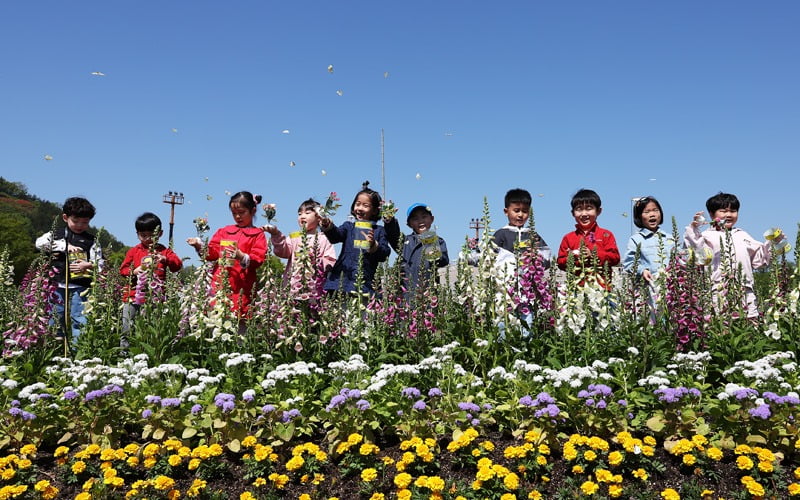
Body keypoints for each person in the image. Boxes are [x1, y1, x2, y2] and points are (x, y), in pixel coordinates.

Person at [683, 192, 770, 318]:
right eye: (723, 211)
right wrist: (693, 229)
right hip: (717, 291)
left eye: (733, 211)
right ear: (712, 214)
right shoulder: (706, 236)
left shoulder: (742, 235)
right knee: (721, 327)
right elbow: (695, 253)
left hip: (744, 290)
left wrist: (773, 244)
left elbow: (759, 260)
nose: (729, 214)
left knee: (749, 324)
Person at [187, 191, 268, 319]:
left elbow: (258, 259)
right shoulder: (224, 231)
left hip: (242, 287)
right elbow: (212, 253)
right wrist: (199, 245)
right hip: (219, 284)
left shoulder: (258, 235)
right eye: (234, 213)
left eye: (241, 213)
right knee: (215, 322)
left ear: (253, 211)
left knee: (238, 326)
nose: (237, 217)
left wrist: (241, 256)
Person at [35, 196, 104, 342]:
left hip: (81, 286)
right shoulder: (56, 234)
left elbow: (100, 263)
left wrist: (88, 265)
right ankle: (55, 347)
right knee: (55, 315)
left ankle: (77, 351)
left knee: (80, 317)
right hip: (57, 284)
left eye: (85, 222)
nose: (80, 225)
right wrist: (64, 246)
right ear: (65, 217)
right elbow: (39, 243)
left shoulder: (92, 240)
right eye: (76, 221)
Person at [320, 181, 391, 294]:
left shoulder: (379, 231)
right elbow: (335, 237)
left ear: (375, 210)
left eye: (365, 205)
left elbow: (384, 253)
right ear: (353, 207)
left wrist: (373, 245)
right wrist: (327, 225)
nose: (360, 208)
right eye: (358, 204)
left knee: (361, 310)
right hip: (341, 281)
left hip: (365, 282)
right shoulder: (348, 227)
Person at [119, 213, 183, 338]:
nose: (147, 239)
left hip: (156, 298)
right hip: (133, 296)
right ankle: (124, 353)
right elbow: (123, 270)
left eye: (151, 235)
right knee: (128, 326)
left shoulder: (164, 251)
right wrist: (134, 271)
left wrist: (165, 259)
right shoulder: (133, 251)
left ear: (160, 234)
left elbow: (177, 265)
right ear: (137, 234)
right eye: (143, 235)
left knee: (152, 327)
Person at [263, 198, 337, 298]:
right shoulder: (294, 237)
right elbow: (282, 252)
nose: (302, 216)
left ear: (319, 218)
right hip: (292, 287)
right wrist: (276, 235)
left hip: (315, 288)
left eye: (307, 213)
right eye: (299, 214)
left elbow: (330, 260)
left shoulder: (324, 238)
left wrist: (320, 264)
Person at [623, 196, 676, 321]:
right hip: (647, 289)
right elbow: (629, 263)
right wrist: (642, 270)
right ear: (639, 216)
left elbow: (678, 258)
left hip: (669, 288)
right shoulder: (636, 239)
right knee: (650, 321)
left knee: (670, 319)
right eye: (646, 212)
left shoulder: (669, 238)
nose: (652, 214)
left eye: (655, 210)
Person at [557, 189, 620, 289]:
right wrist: (572, 258)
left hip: (602, 289)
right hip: (577, 289)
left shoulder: (606, 235)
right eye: (579, 209)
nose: (584, 213)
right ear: (573, 213)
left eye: (589, 208)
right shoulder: (568, 238)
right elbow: (560, 262)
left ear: (599, 211)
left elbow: (615, 258)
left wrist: (594, 255)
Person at [395, 203, 449, 295]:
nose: (421, 221)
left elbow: (444, 261)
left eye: (424, 217)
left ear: (432, 219)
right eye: (415, 219)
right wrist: (390, 221)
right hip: (407, 293)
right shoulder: (405, 241)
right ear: (409, 224)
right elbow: (393, 234)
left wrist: (435, 253)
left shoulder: (436, 240)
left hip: (428, 292)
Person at [493, 188, 551, 267]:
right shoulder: (501, 234)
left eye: (525, 211)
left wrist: (537, 258)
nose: (520, 215)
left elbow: (546, 256)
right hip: (505, 277)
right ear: (506, 212)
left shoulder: (532, 235)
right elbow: (488, 256)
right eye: (516, 211)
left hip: (528, 277)